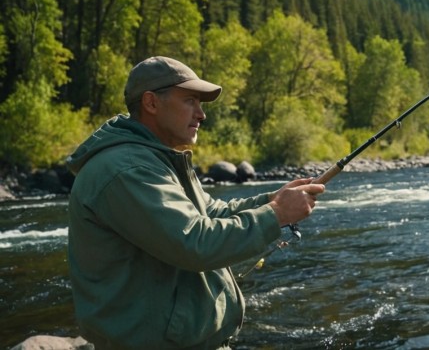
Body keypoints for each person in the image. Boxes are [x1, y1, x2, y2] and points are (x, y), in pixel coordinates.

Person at [66, 56, 325, 349]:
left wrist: (271, 200)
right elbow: (195, 242)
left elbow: (211, 212)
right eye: (190, 101)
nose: (201, 114)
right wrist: (276, 214)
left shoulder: (153, 158)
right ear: (151, 103)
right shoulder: (127, 171)